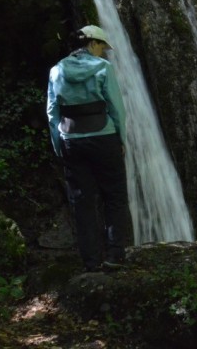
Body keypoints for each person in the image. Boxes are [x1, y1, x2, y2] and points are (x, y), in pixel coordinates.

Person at [47, 25, 132, 272]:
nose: (103, 53)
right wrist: (121, 139)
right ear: (93, 43)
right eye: (102, 47)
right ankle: (115, 255)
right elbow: (116, 107)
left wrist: (58, 144)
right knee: (114, 196)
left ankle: (91, 262)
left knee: (81, 202)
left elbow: (53, 112)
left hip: (72, 142)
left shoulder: (56, 70)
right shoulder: (104, 69)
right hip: (104, 139)